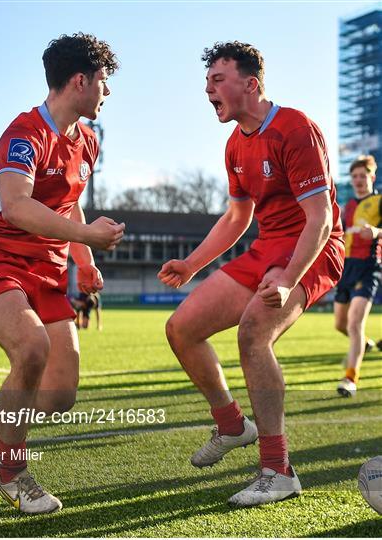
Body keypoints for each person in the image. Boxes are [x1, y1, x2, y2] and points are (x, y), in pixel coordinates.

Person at [158, 41, 344, 508]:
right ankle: (231, 424)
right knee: (181, 328)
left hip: (313, 247)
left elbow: (320, 219)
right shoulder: (234, 144)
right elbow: (237, 218)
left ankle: (277, 471)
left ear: (251, 84)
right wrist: (191, 264)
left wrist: (287, 278)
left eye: (217, 80)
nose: (208, 90)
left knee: (253, 333)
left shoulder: (295, 127)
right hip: (267, 248)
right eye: (207, 82)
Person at [0, 33, 124, 515]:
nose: (106, 91)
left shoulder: (88, 141)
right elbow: (15, 206)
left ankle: (1, 417)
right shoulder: (24, 133)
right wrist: (89, 236)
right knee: (32, 347)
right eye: (103, 81)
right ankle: (14, 474)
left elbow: (68, 204)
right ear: (80, 81)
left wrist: (84, 259)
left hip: (49, 271)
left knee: (60, 396)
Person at [333, 155, 381, 397]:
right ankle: (366, 343)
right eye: (354, 177)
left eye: (363, 176)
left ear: (372, 177)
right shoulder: (347, 205)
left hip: (369, 268)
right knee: (340, 325)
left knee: (354, 323)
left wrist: (376, 231)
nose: (359, 180)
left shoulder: (379, 201)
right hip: (346, 268)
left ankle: (350, 378)